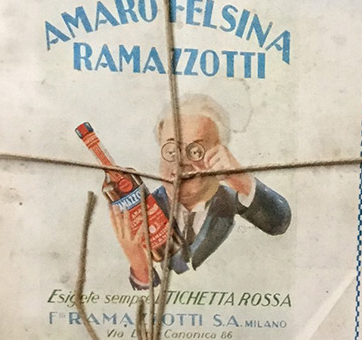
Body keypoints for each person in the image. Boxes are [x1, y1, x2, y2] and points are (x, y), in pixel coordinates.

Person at [109, 94, 291, 288]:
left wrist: (242, 179)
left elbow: (278, 221)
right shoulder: (141, 212)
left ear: (220, 154)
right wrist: (140, 268)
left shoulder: (239, 200)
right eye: (171, 150)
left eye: (195, 151)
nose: (181, 162)